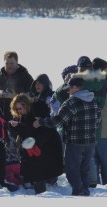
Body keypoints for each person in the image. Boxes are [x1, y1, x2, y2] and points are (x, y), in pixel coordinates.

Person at [33, 77, 101, 196]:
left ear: (76, 87)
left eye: (69, 88)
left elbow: (57, 121)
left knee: (72, 171)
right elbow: (98, 120)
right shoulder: (93, 100)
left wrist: (41, 122)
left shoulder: (71, 102)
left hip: (75, 142)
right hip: (90, 142)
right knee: (85, 170)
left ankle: (79, 194)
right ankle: (85, 192)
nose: (67, 90)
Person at [9, 93, 63, 194]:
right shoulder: (25, 115)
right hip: (36, 148)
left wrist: (34, 143)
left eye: (20, 108)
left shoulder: (37, 112)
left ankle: (42, 195)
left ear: (26, 105)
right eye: (17, 110)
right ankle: (41, 192)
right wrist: (16, 126)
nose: (19, 112)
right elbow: (28, 130)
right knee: (38, 172)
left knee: (39, 172)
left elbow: (46, 131)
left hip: (46, 147)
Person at [72, 56, 107, 188]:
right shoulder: (101, 83)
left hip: (89, 131)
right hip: (101, 132)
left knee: (92, 162)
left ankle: (94, 185)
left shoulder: (81, 84)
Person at [0, 51, 33, 122]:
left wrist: (16, 97)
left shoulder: (26, 77)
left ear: (17, 62)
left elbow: (31, 95)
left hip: (18, 118)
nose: (9, 65)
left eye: (12, 63)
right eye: (7, 63)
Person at [92, 57, 107, 185]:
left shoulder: (87, 84)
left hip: (90, 131)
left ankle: (94, 188)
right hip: (104, 132)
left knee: (94, 163)